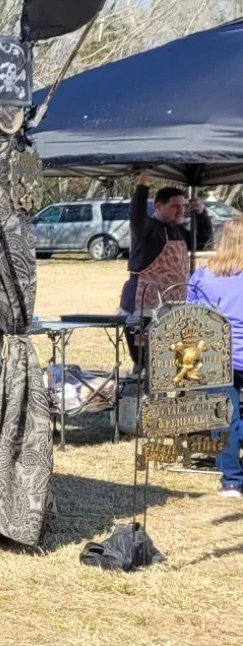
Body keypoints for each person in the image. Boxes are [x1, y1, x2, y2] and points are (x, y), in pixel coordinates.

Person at [188, 218, 243, 498]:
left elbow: (192, 318)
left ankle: (231, 480)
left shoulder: (203, 276)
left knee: (224, 418)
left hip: (217, 355)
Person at [124, 173, 212, 317]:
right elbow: (136, 212)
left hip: (176, 306)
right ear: (158, 206)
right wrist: (143, 184)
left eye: (182, 206)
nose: (180, 210)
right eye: (174, 206)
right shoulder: (147, 229)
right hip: (145, 306)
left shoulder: (179, 231)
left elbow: (202, 242)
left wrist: (202, 213)